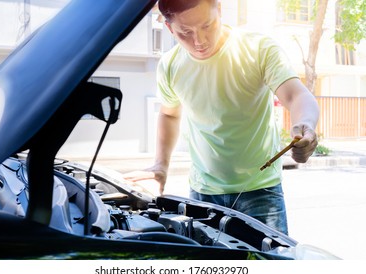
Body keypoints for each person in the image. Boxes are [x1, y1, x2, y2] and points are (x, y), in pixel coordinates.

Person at [124, 0, 319, 235]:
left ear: (219, 9)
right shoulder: (170, 65)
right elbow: (169, 114)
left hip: (261, 192)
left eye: (207, 25)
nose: (199, 41)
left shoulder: (258, 48)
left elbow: (296, 94)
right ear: (169, 29)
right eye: (185, 33)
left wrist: (306, 123)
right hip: (202, 193)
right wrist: (160, 165)